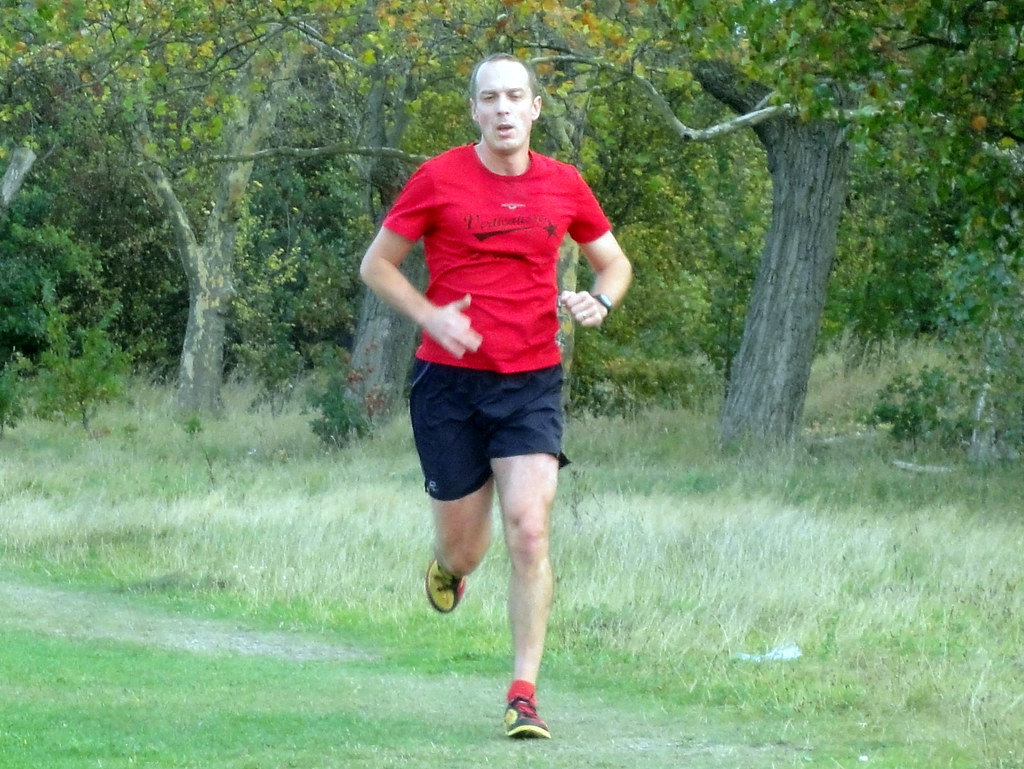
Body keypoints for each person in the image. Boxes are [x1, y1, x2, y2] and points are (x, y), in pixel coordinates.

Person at [359, 52, 632, 740]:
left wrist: (599, 300)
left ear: (536, 108)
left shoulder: (564, 184)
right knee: (467, 549)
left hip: (531, 381)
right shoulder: (438, 178)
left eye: (516, 97)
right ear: (475, 111)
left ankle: (523, 695)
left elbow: (614, 261)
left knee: (530, 529)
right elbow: (377, 265)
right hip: (448, 383)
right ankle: (449, 566)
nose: (504, 109)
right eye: (491, 99)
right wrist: (431, 315)